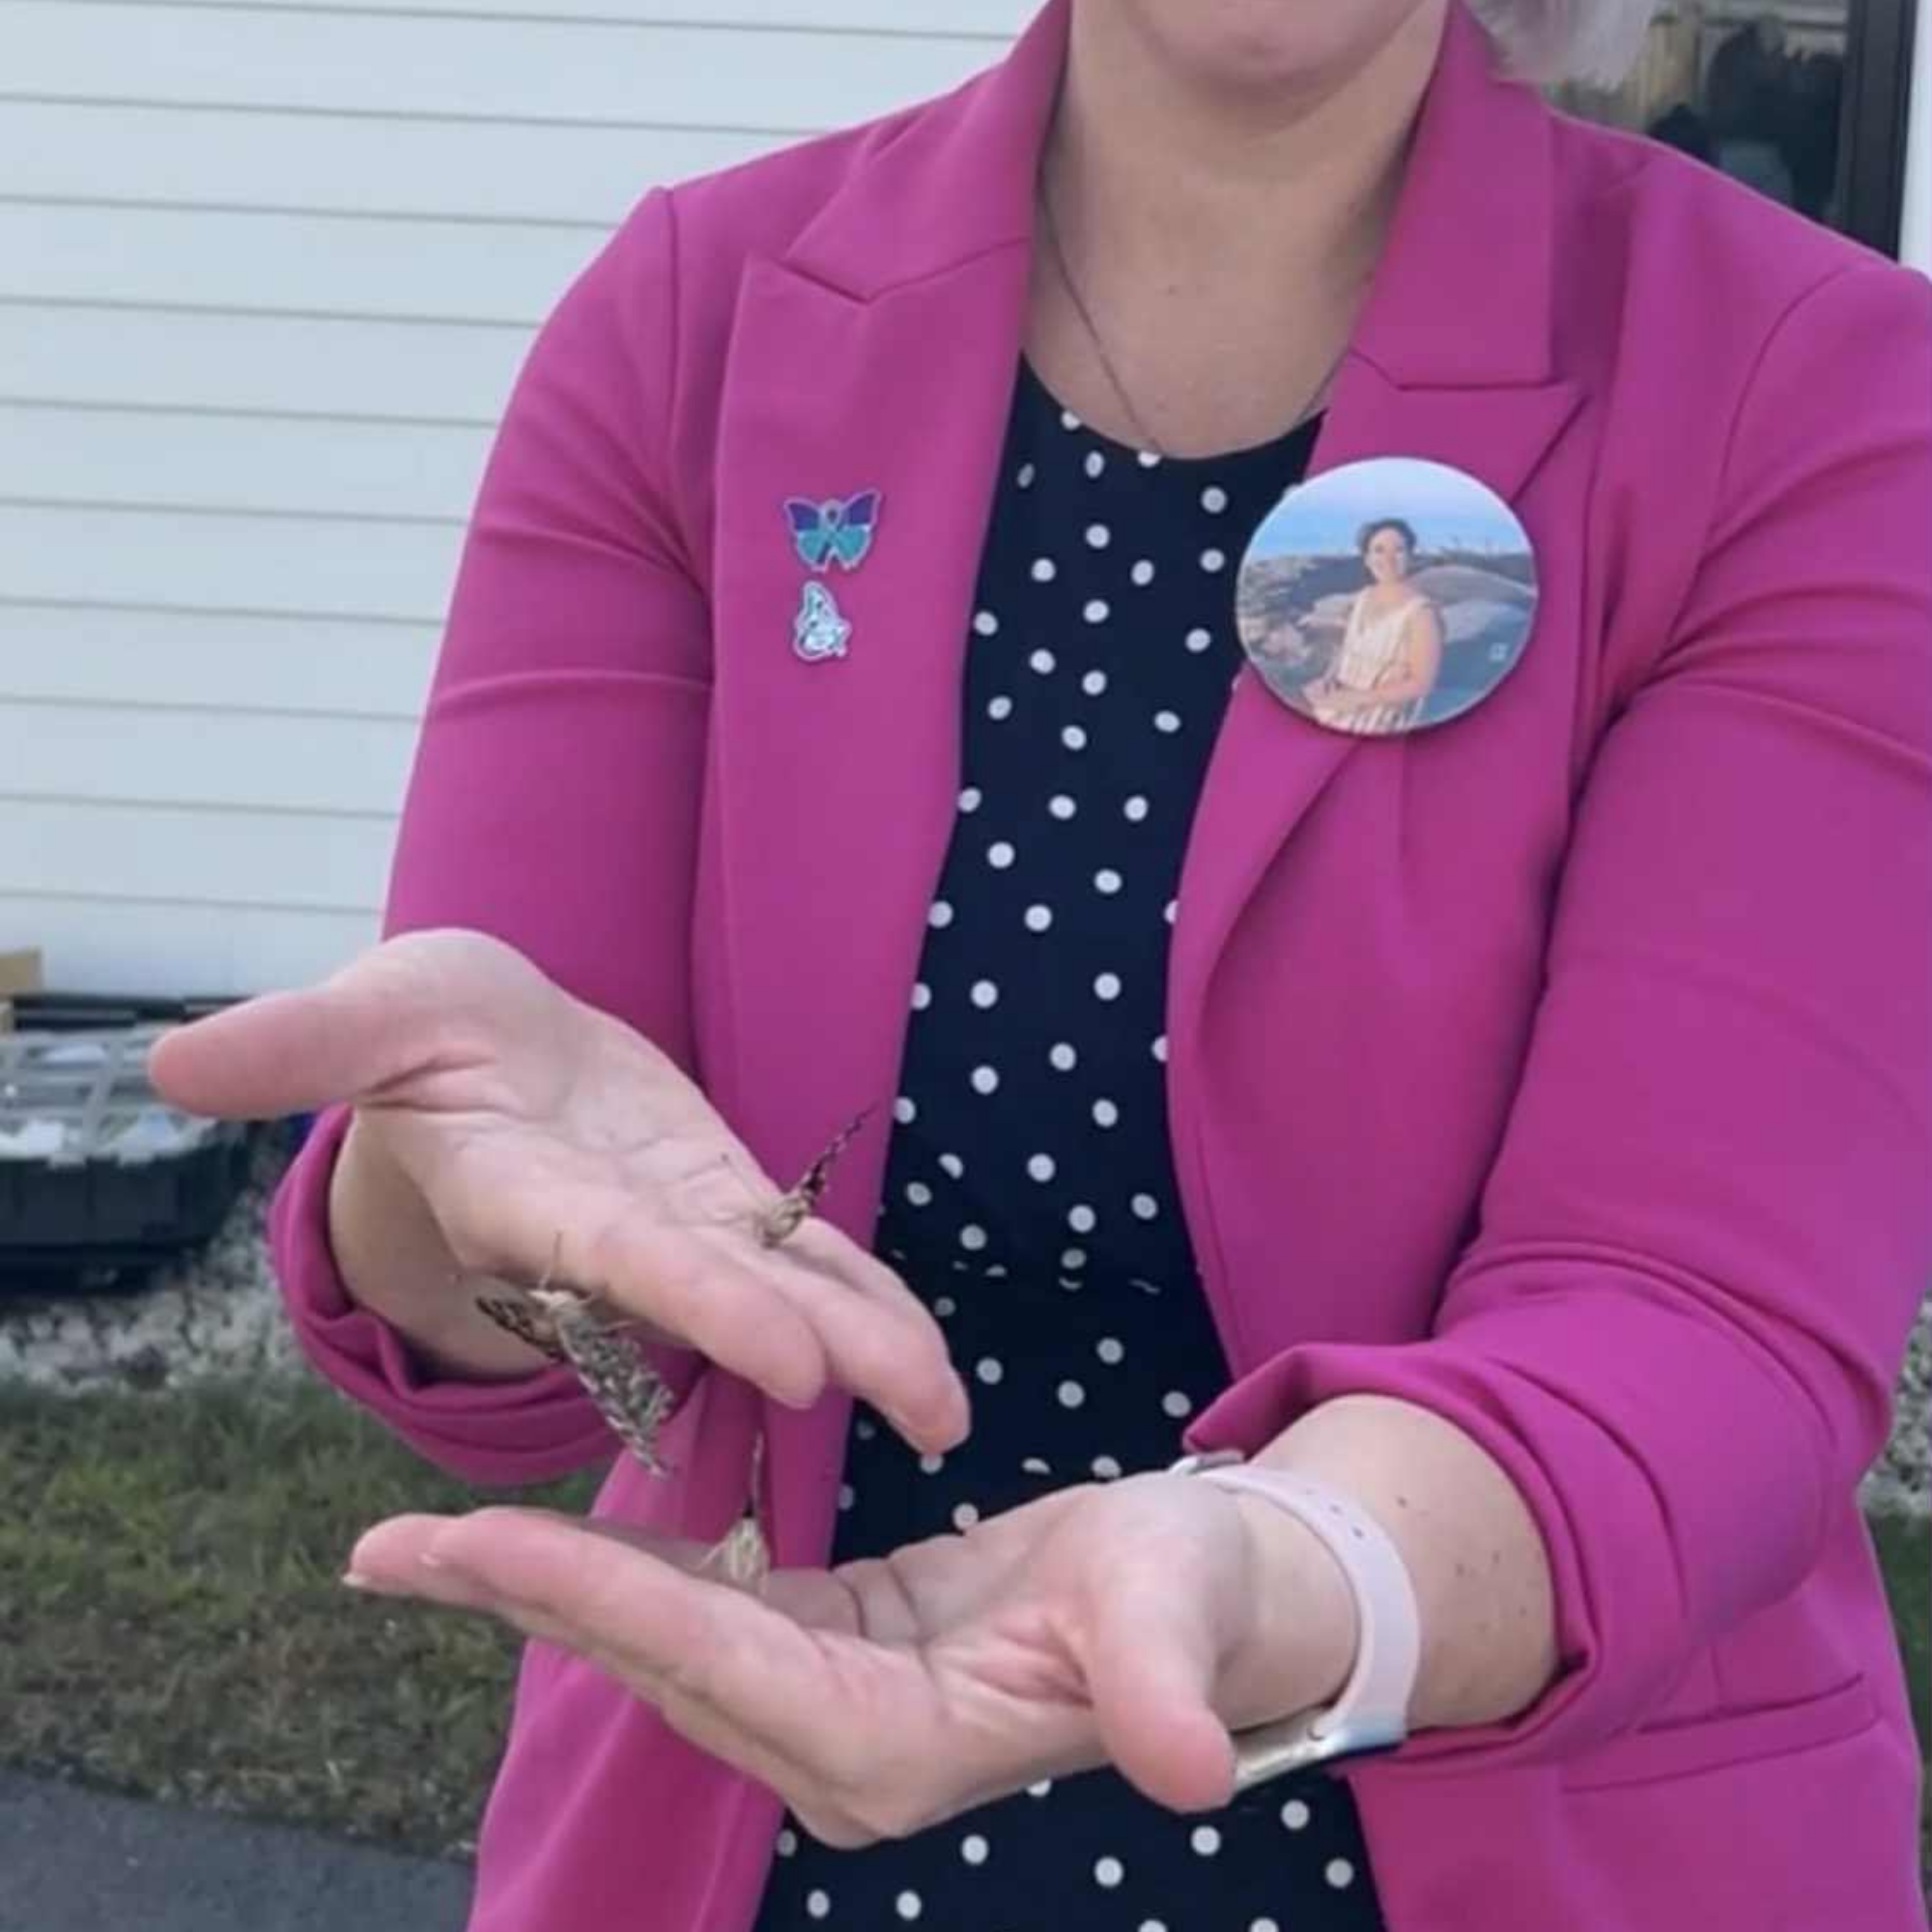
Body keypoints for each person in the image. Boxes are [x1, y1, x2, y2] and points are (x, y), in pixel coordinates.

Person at [148, 1, 1932, 1927]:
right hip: (756, 1817)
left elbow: (1692, 1318)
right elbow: (549, 1263)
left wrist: (1281, 1563)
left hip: (1531, 1813)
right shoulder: (697, 321)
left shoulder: (1804, 390)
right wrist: (454, 1199)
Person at [1302, 519, 1445, 733]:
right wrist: (1325, 681)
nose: (1388, 559)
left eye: (1398, 550)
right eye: (1378, 550)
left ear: (1411, 557)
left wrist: (1356, 700)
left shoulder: (1421, 613)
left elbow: (1422, 683)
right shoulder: (1364, 597)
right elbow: (1348, 649)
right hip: (1339, 702)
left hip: (1380, 716)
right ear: (1367, 559)